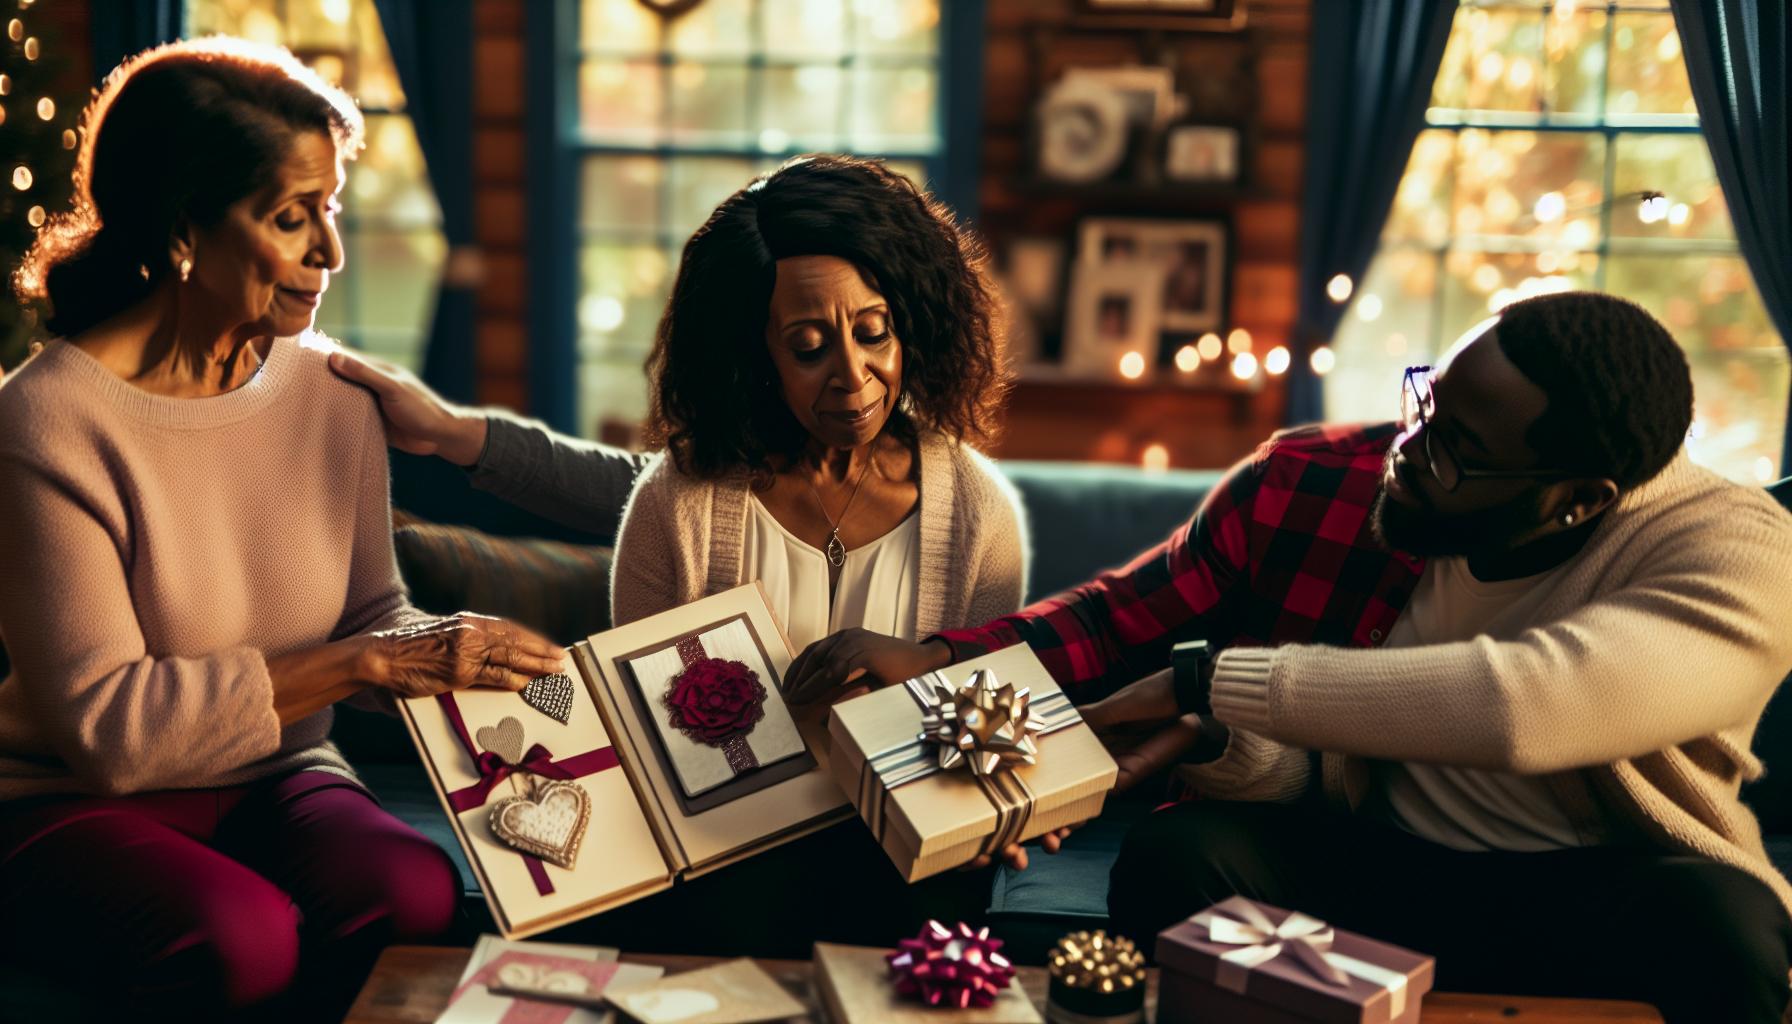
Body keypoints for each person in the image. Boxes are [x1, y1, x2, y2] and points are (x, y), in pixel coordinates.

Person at [785, 292, 1792, 1023]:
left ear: (1576, 500)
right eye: (1425, 403)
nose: (1409, 452)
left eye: (1456, 450)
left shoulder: (1736, 550)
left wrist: (1212, 680)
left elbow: (1530, 704)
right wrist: (939, 656)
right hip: (1373, 861)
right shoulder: (1323, 483)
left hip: (1590, 883)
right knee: (1185, 852)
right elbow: (1123, 621)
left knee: (1727, 924)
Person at [330, 156, 1051, 954]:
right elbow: (656, 744)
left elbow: (979, 719)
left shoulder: (976, 515)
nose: (854, 376)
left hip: (899, 842)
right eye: (808, 346)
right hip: (729, 850)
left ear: (912, 321)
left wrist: (985, 805)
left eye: (873, 332)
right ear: (753, 357)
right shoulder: (679, 505)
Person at [0, 39, 564, 1020]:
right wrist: (367, 662)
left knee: (415, 891)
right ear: (185, 228)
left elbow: (373, 613)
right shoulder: (45, 422)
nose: (330, 253)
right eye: (292, 217)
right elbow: (111, 734)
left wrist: (472, 670)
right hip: (68, 796)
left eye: (331, 208)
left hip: (278, 776)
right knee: (242, 940)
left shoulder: (330, 393)